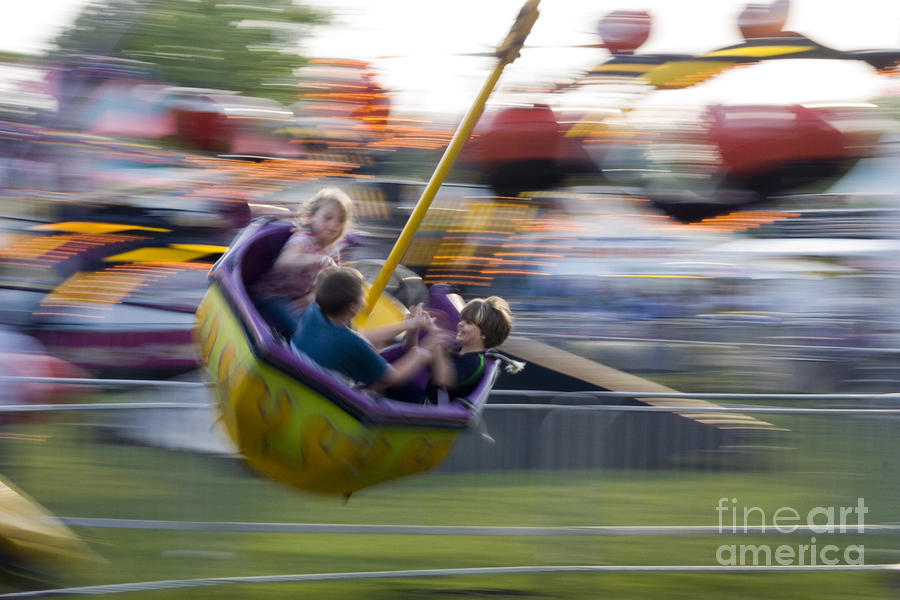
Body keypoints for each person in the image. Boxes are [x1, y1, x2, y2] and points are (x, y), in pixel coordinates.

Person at [291, 267, 438, 393]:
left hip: (297, 371)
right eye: (363, 295)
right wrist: (422, 353)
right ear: (353, 306)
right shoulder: (353, 344)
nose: (366, 300)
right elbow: (392, 378)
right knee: (387, 384)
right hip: (326, 393)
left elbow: (361, 336)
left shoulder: (316, 309)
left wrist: (408, 325)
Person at [251, 187, 352, 337]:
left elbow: (328, 284)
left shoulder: (333, 251)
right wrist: (315, 259)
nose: (334, 225)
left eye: (340, 220)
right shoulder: (302, 240)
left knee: (342, 321)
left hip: (301, 299)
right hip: (272, 296)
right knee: (300, 330)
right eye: (328, 218)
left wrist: (310, 298)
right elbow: (284, 261)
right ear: (311, 216)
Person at [386, 296, 513, 405]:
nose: (460, 324)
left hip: (428, 415)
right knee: (384, 378)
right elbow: (413, 353)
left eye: (468, 323)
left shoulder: (474, 363)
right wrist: (413, 329)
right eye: (462, 319)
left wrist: (436, 344)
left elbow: (443, 379)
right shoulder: (455, 350)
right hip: (422, 400)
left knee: (385, 381)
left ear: (484, 334)